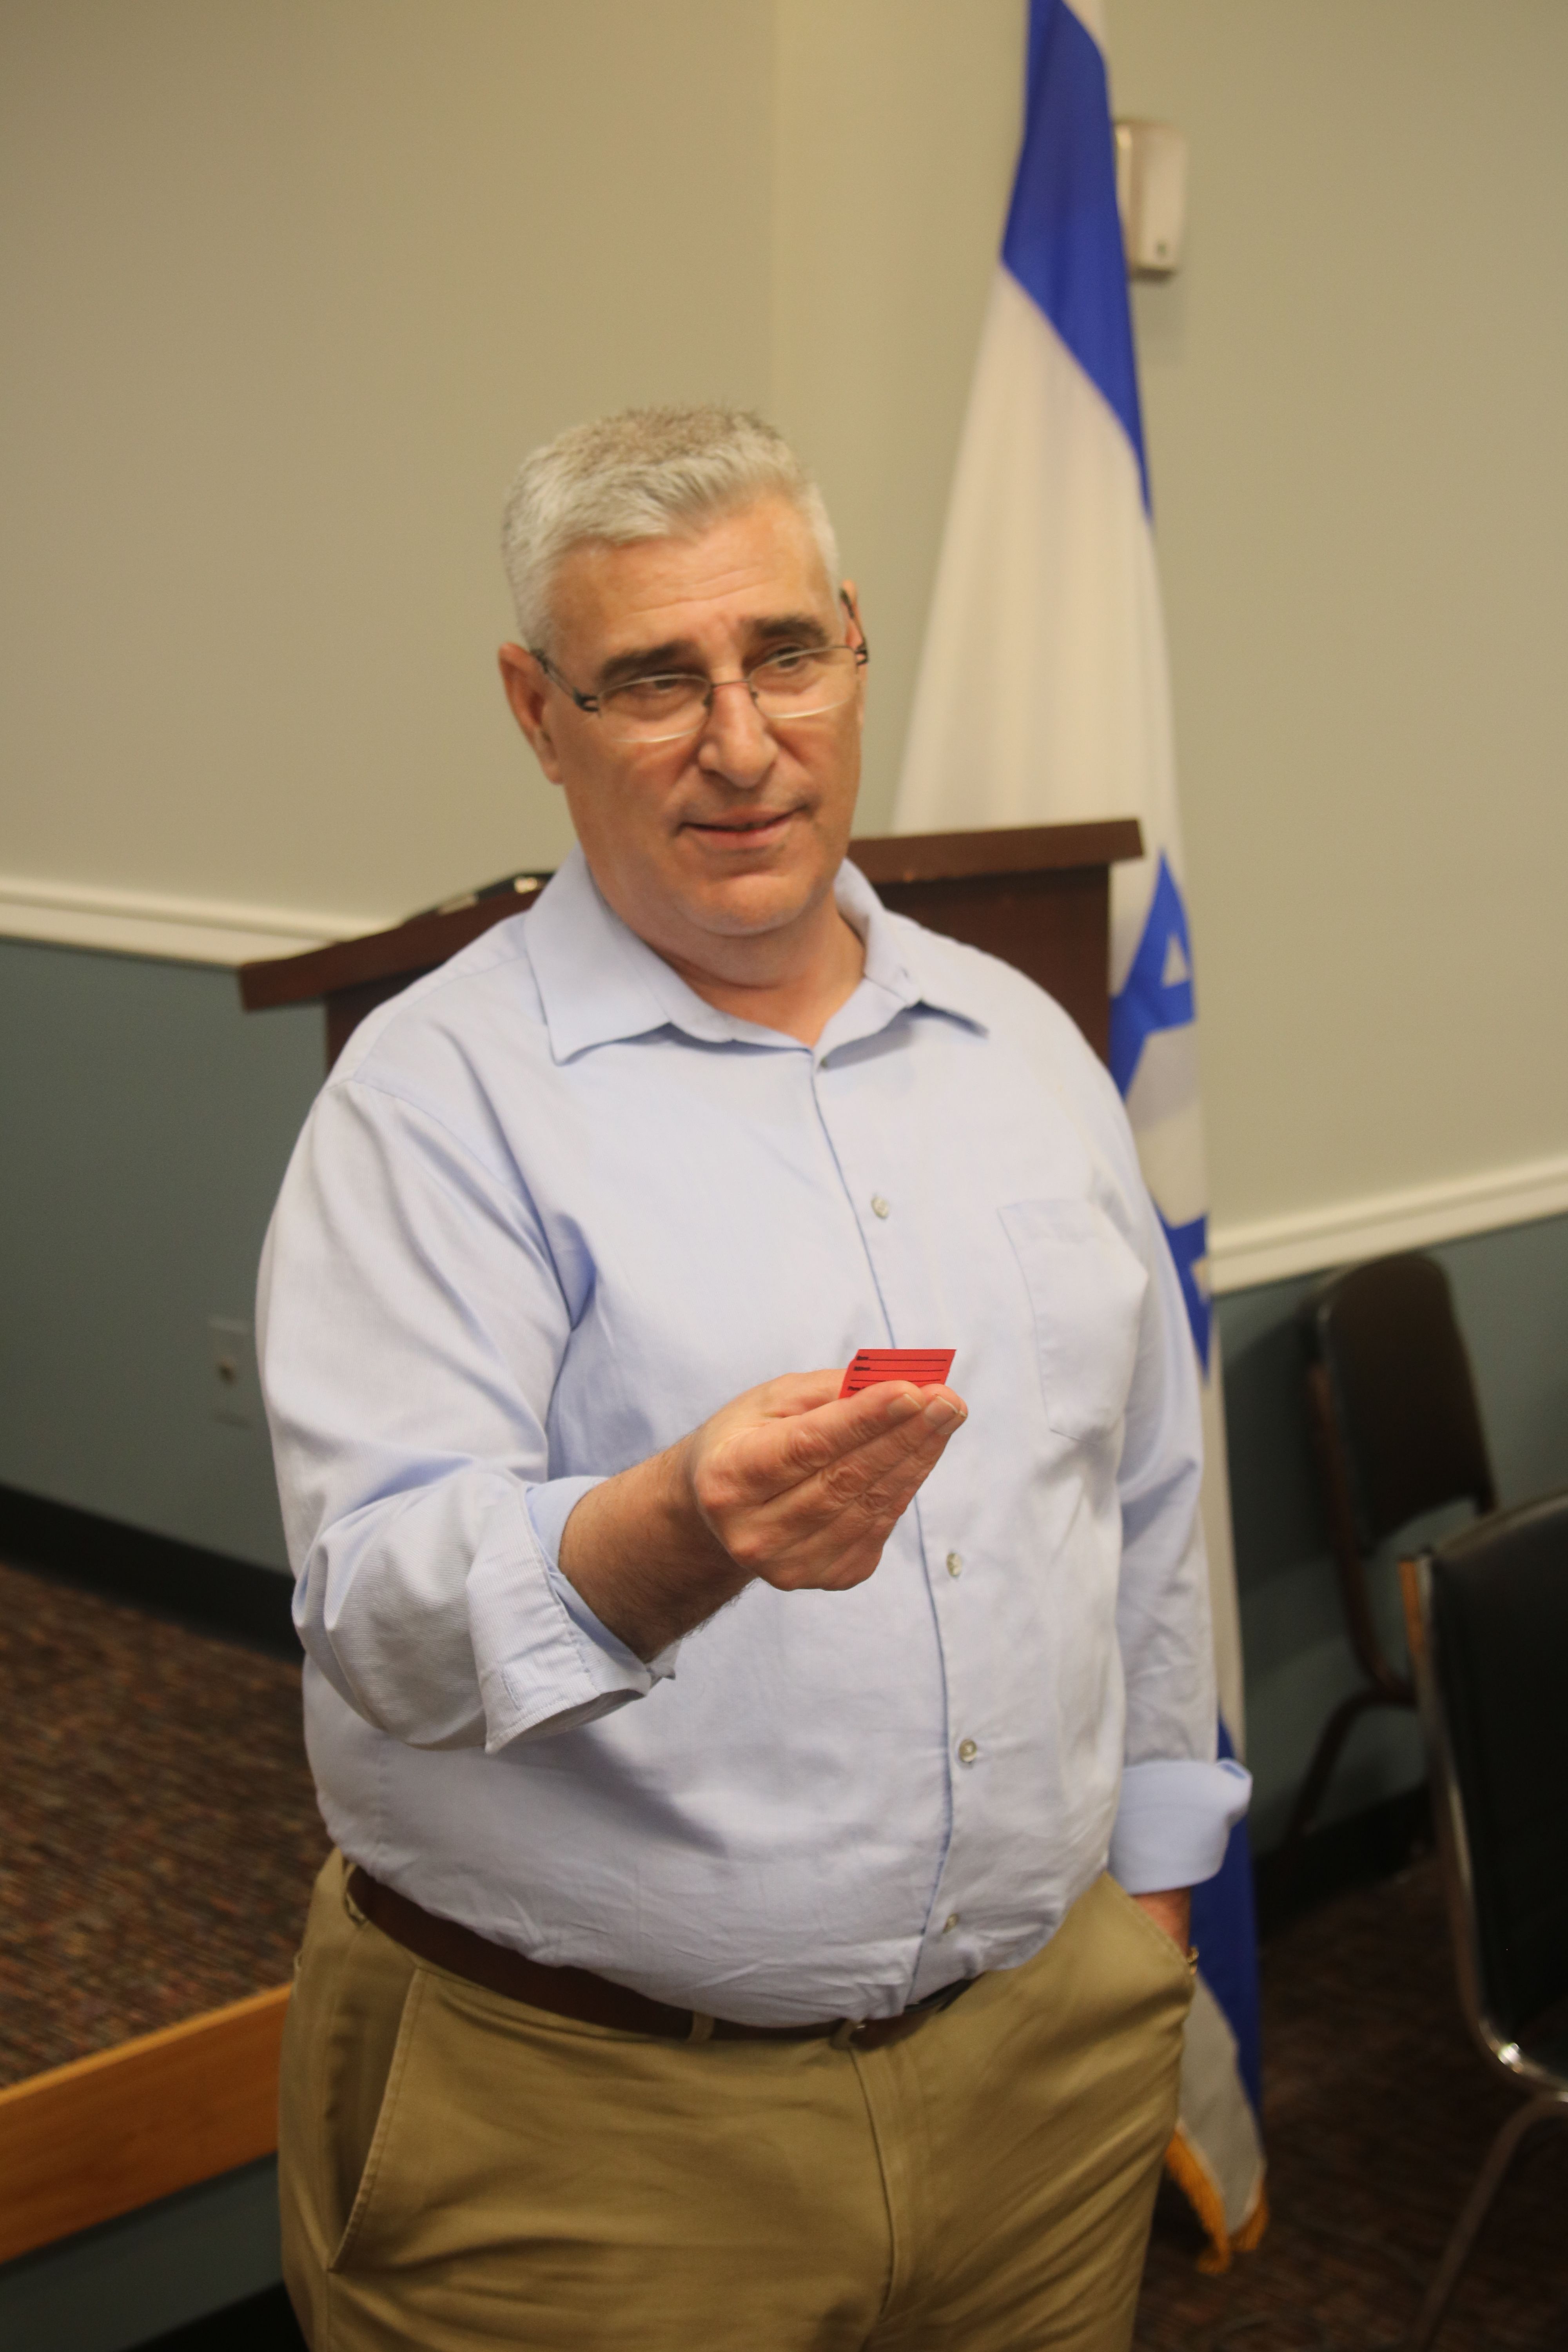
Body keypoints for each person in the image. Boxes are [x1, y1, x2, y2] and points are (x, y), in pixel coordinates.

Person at [259, 404, 1250, 2352]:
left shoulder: (1021, 1047)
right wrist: (669, 1532)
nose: (741, 740)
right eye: (653, 679)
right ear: (537, 713)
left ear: (854, 648)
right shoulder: (434, 1102)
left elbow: (1137, 1498)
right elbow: (376, 1614)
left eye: (784, 652)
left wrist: (1149, 1893)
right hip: (589, 2133)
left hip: (1042, 2073)